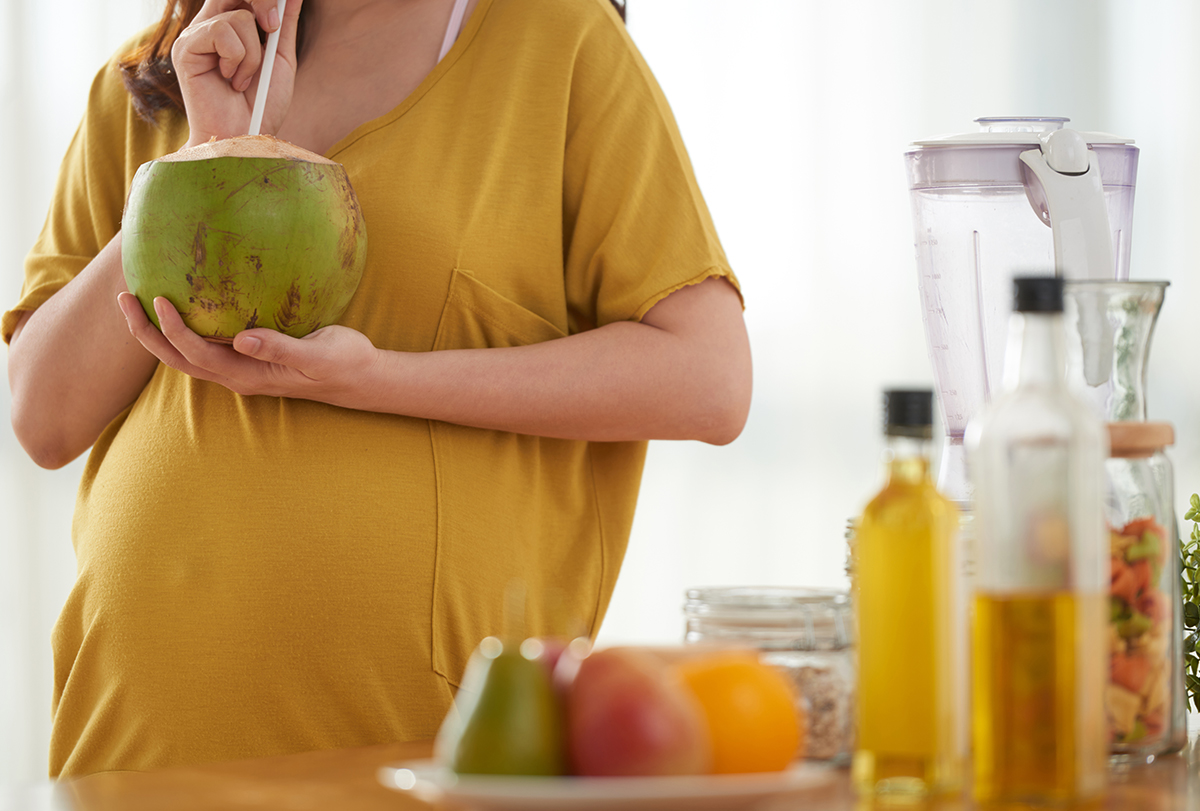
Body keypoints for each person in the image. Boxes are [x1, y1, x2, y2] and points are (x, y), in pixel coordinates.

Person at [4, 0, 750, 778]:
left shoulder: (560, 44)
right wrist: (211, 152)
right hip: (133, 746)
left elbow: (710, 378)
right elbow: (43, 418)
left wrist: (378, 380)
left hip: (423, 750)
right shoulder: (156, 77)